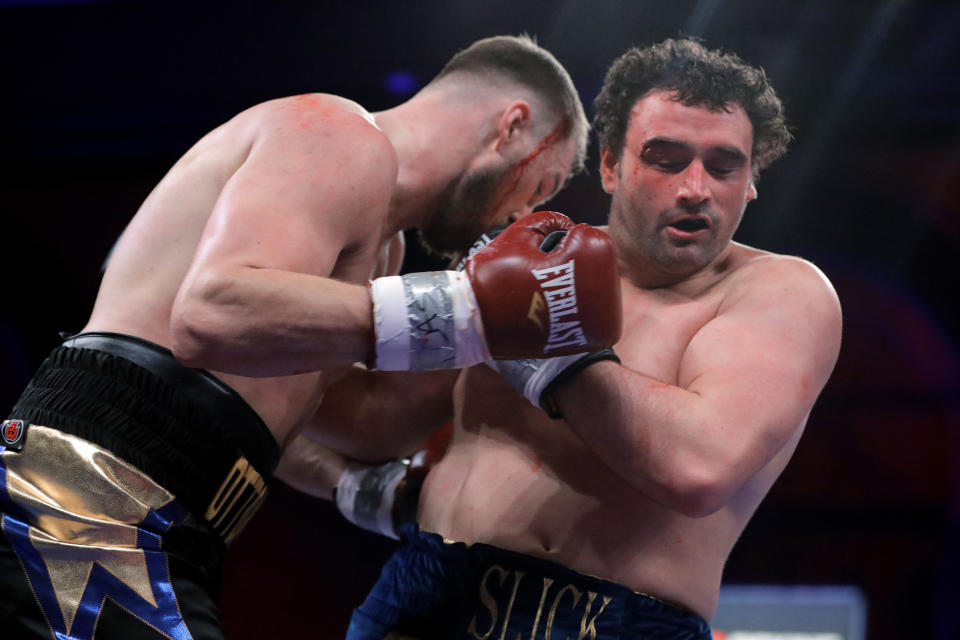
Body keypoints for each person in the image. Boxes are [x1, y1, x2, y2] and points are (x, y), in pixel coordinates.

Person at [0, 35, 626, 640]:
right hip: (80, 492)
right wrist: (466, 310)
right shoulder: (338, 135)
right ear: (510, 126)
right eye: (537, 187)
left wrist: (509, 340)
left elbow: (364, 418)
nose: (518, 217)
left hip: (160, 518)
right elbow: (213, 314)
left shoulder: (386, 252)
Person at [311, 37, 842, 639]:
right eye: (666, 159)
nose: (696, 187)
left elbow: (697, 467)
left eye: (723, 166)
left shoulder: (781, 293)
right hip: (422, 590)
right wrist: (245, 345)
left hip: (613, 620)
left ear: (749, 182)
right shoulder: (525, 258)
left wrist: (547, 344)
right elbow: (379, 420)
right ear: (612, 165)